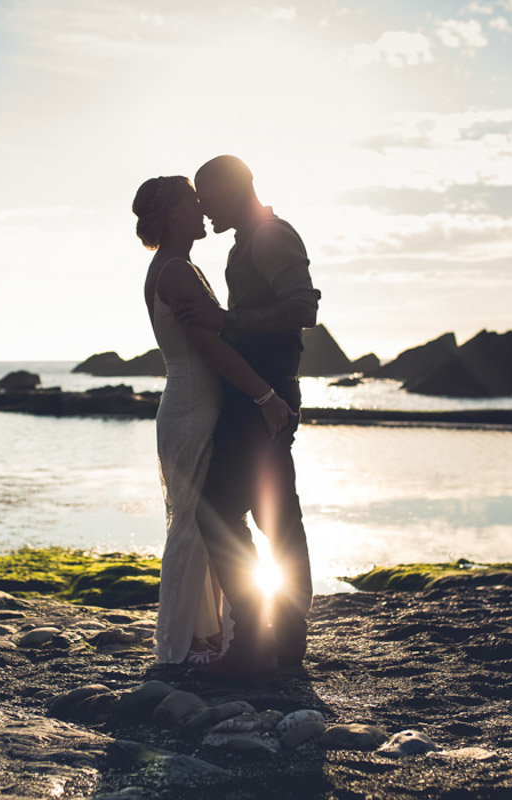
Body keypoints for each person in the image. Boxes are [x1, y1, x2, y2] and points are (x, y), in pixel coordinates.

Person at [132, 175, 294, 665]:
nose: (203, 208)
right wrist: (265, 394)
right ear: (175, 212)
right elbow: (210, 346)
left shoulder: (177, 266)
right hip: (191, 407)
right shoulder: (175, 271)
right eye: (192, 200)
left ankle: (205, 635)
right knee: (193, 523)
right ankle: (180, 645)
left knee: (204, 521)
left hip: (194, 403)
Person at [177, 155, 320, 679]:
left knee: (235, 512)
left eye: (206, 196)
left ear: (233, 189)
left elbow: (304, 309)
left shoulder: (270, 235)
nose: (202, 207)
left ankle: (264, 640)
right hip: (253, 396)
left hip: (270, 397)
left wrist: (226, 320)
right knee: (264, 513)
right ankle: (276, 639)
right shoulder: (244, 242)